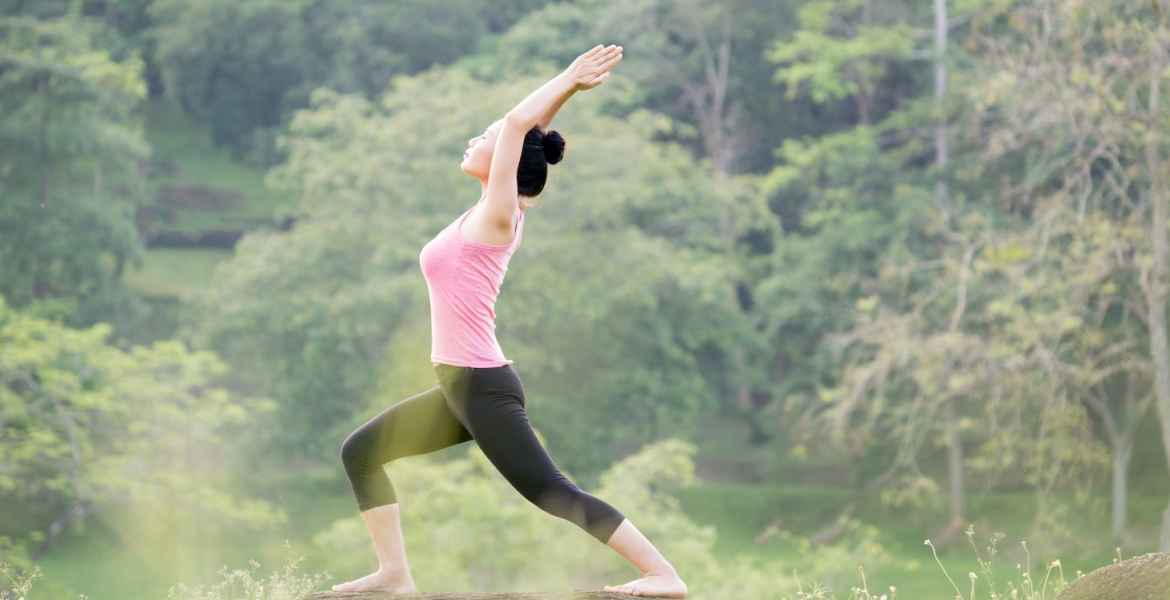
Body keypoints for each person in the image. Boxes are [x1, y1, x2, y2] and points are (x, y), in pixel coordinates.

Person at [334, 44, 687, 598]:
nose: (476, 140)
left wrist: (569, 80)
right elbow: (524, 128)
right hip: (458, 386)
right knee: (361, 452)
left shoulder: (501, 215)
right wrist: (556, 102)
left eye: (486, 137)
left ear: (503, 159)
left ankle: (663, 574)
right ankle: (395, 575)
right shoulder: (482, 209)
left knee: (549, 490)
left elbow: (519, 124)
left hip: (481, 386)